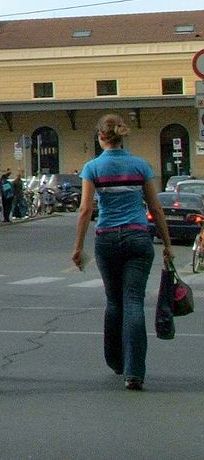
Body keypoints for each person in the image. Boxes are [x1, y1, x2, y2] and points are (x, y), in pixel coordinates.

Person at [71, 113, 173, 391]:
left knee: (114, 302)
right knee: (133, 302)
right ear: (121, 136)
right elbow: (156, 208)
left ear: (100, 137)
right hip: (138, 237)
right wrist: (167, 244)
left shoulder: (92, 168)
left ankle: (116, 360)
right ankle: (134, 372)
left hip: (106, 239)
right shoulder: (140, 165)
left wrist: (78, 247)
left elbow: (85, 210)